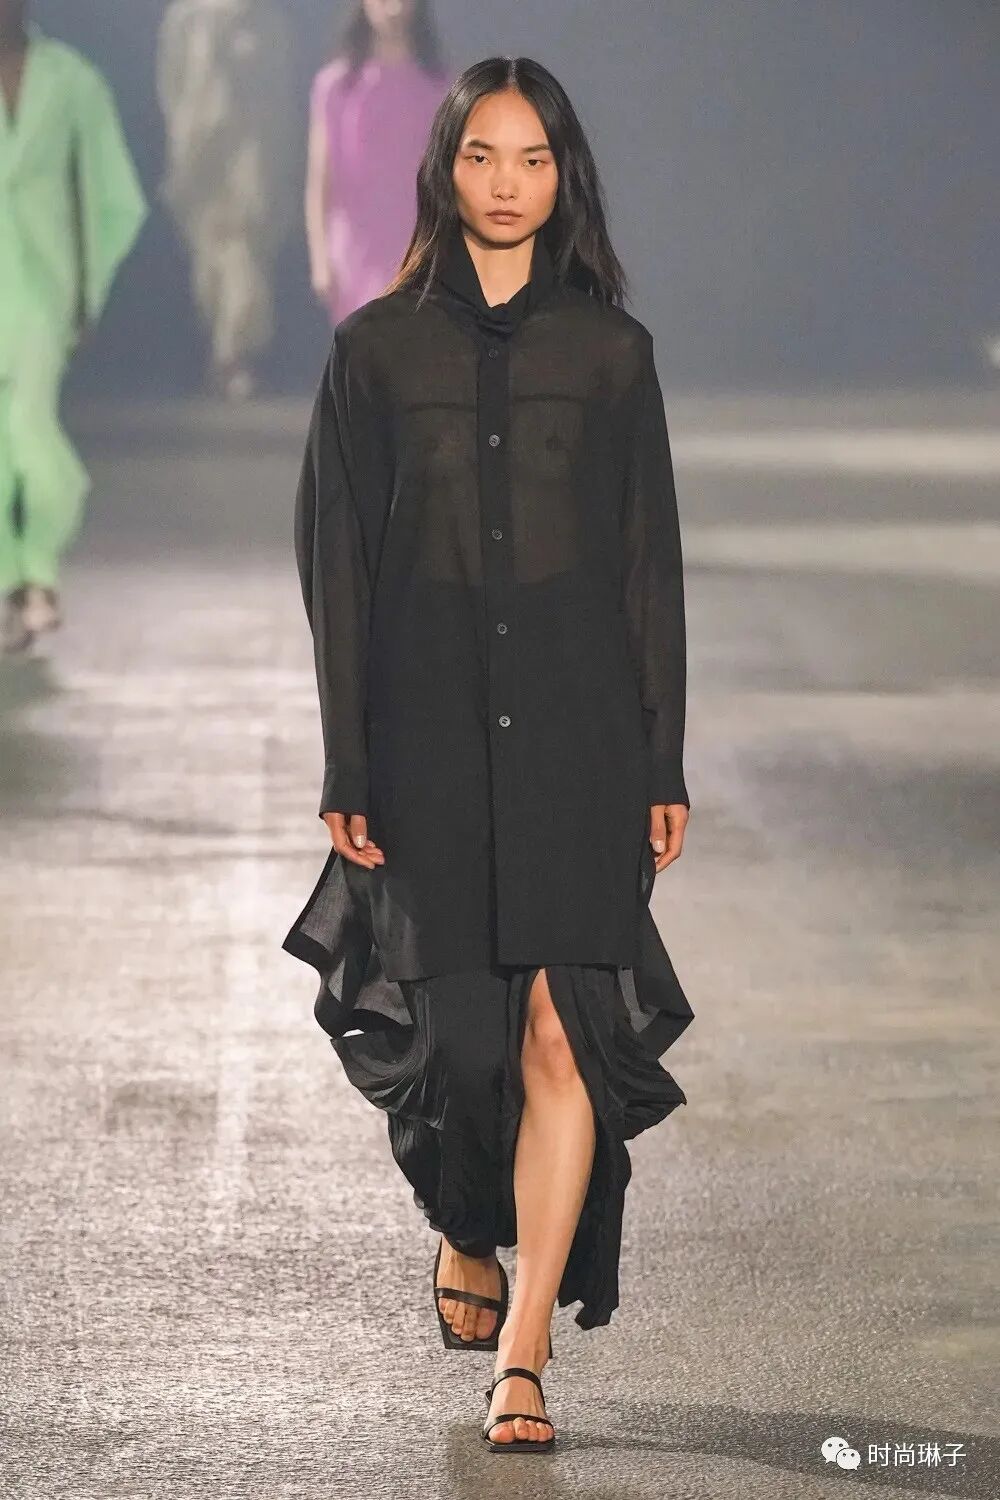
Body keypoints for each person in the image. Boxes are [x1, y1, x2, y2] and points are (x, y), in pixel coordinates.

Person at [283, 56, 695, 1452]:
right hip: (428, 733)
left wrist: (661, 761)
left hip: (580, 734)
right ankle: (466, 1222)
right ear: (442, 170)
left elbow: (648, 567)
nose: (506, 184)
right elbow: (338, 566)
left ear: (563, 175)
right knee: (460, 1052)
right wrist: (347, 761)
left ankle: (523, 1353)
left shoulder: (612, 354)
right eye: (480, 156)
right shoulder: (373, 354)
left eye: (531, 158)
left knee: (563, 1034)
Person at [0, 2, 146, 655]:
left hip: (42, 286)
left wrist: (89, 293)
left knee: (29, 425)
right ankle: (17, 581)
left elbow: (110, 192)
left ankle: (38, 569)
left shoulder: (72, 79)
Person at [156, 0, 295, 400]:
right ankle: (222, 349)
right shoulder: (185, 19)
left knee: (243, 249)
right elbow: (170, 82)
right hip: (199, 153)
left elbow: (279, 91)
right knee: (209, 257)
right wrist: (184, 136)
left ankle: (234, 355)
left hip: (251, 153)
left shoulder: (266, 21)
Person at [305, 0, 450, 327]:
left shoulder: (439, 87)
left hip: (419, 247)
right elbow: (320, 181)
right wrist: (320, 257)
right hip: (355, 254)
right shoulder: (335, 87)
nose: (395, 9)